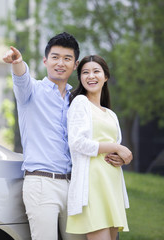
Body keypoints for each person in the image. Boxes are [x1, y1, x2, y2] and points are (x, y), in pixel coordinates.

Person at [2, 32, 86, 240]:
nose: (60, 63)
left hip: (74, 184)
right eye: (55, 57)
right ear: (45, 60)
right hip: (42, 184)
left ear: (75, 65)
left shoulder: (77, 100)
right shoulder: (31, 92)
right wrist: (17, 63)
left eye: (67, 59)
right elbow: (21, 78)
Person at [66, 55, 132, 240]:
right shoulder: (80, 103)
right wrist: (116, 147)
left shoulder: (111, 114)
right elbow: (77, 142)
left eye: (96, 71)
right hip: (92, 185)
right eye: (85, 72)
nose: (91, 76)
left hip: (111, 184)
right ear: (80, 78)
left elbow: (116, 150)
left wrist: (123, 157)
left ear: (106, 76)